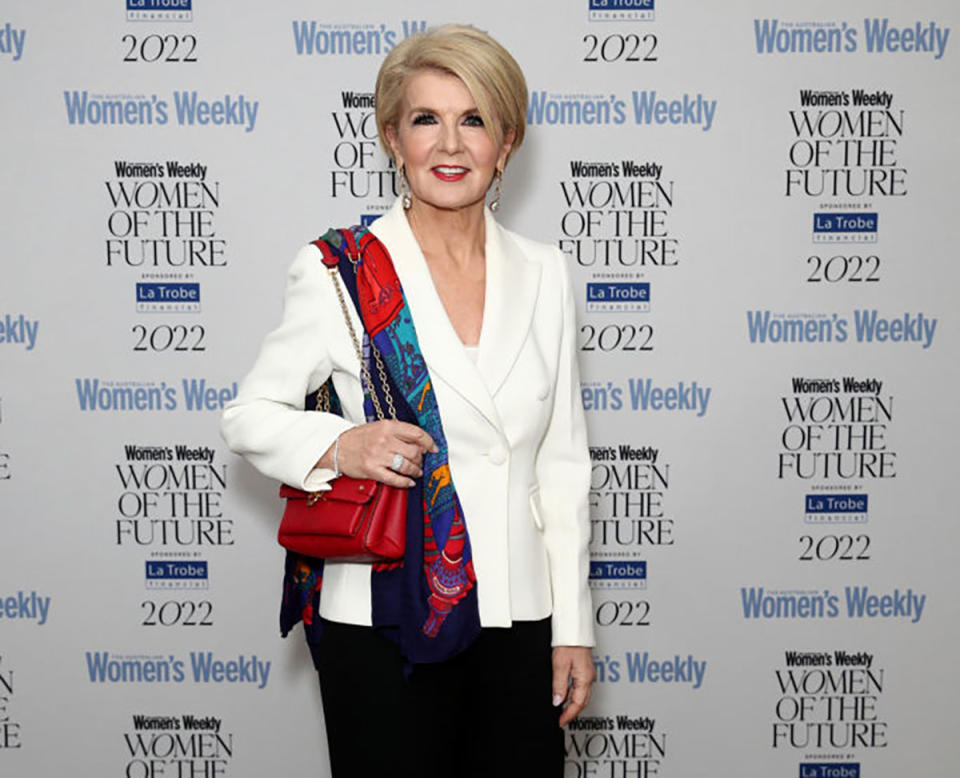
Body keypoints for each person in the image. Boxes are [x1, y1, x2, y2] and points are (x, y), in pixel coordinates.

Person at [221, 24, 594, 777]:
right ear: (393, 138)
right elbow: (248, 417)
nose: (450, 145)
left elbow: (563, 467)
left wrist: (573, 627)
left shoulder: (547, 272)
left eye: (475, 119)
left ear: (507, 141)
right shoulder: (339, 270)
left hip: (518, 618)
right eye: (427, 119)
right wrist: (338, 445)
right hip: (383, 619)